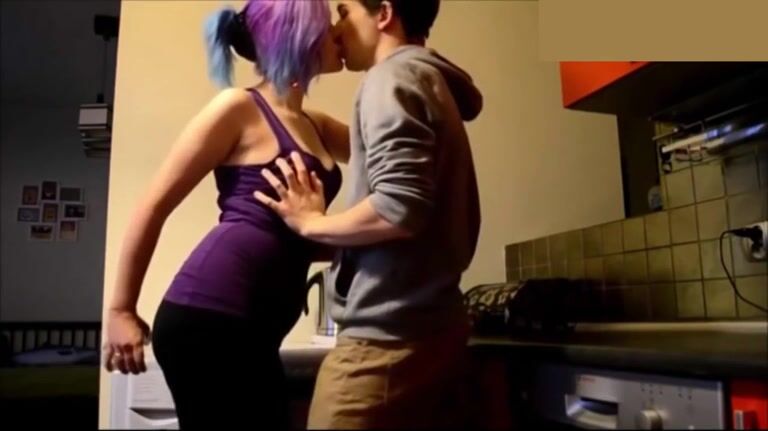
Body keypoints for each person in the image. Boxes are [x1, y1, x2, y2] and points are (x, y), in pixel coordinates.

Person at [101, 1, 350, 428]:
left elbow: (392, 142)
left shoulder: (317, 125)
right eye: (328, 27)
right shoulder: (237, 107)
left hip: (256, 330)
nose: (338, 34)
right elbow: (153, 204)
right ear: (299, 39)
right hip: (209, 318)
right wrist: (121, 309)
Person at [253, 0, 484, 428]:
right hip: (435, 329)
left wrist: (312, 223)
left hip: (385, 342)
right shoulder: (426, 79)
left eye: (345, 12)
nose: (337, 29)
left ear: (384, 14)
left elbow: (399, 208)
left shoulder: (389, 79)